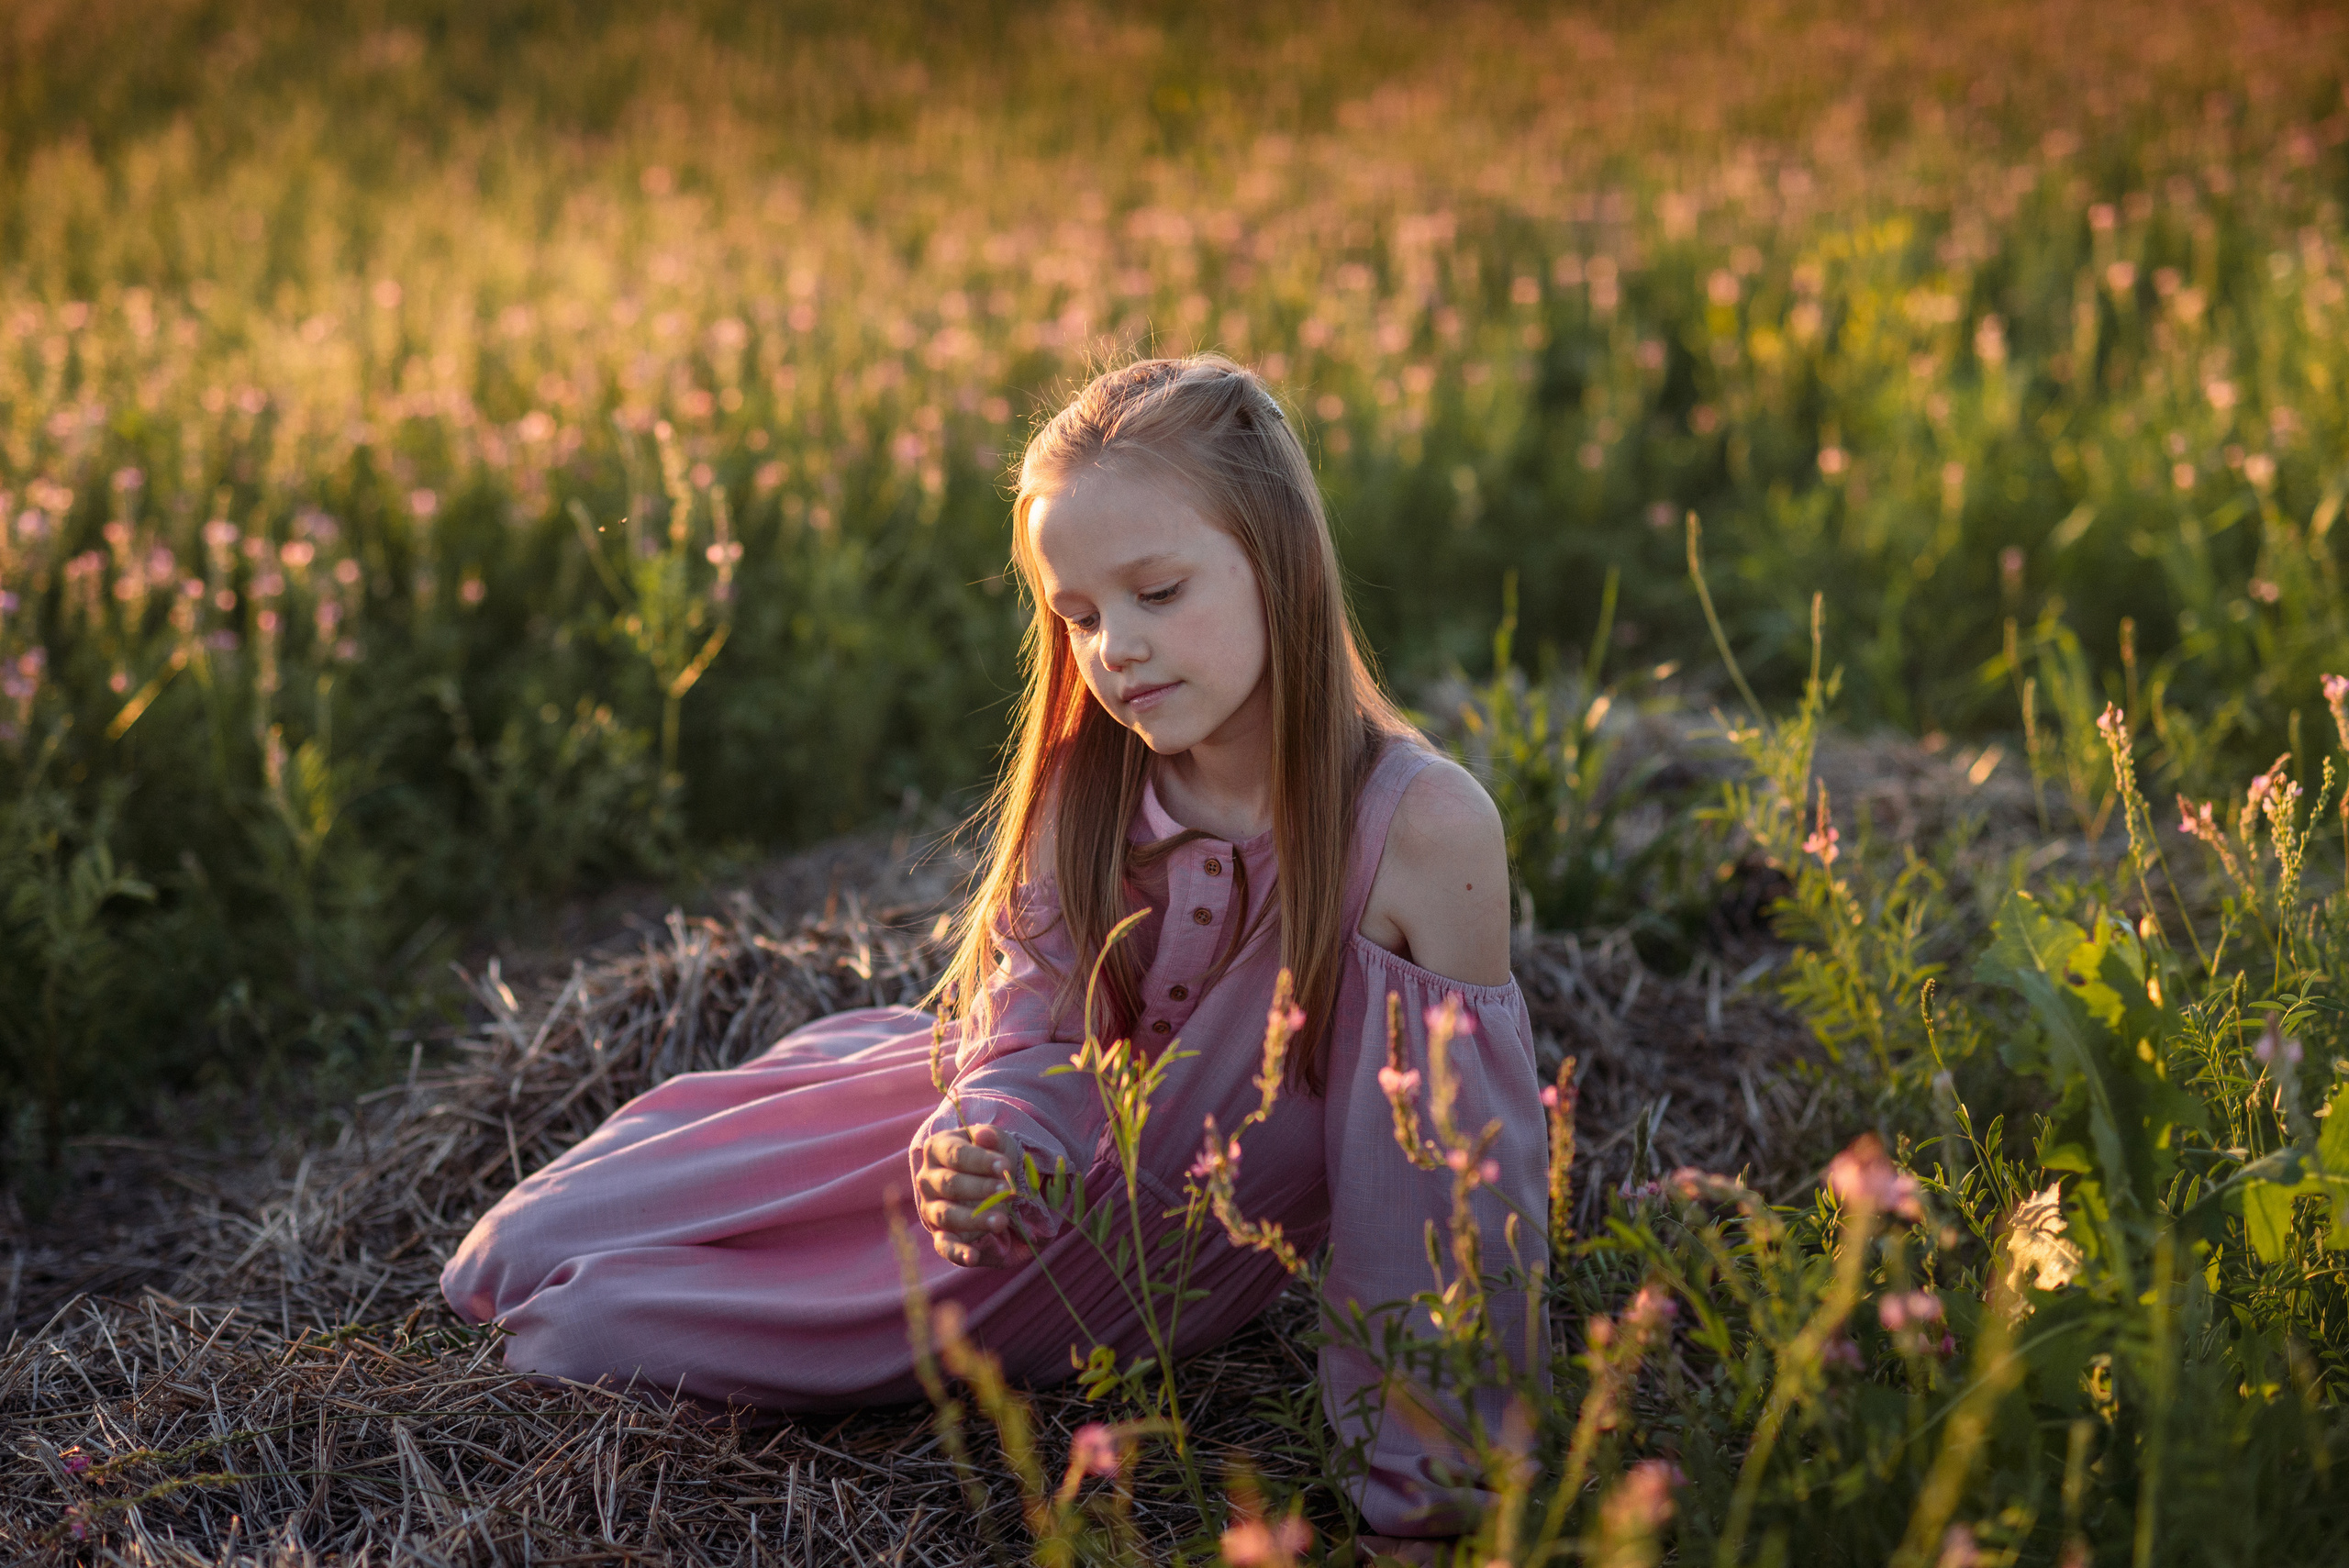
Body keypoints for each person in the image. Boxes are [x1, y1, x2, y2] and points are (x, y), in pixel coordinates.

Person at [440, 354, 1550, 1543]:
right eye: (1077, 615)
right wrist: (992, 1135)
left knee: (585, 1332)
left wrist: (1426, 1493)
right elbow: (1033, 1019)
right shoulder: (1092, 785)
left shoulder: (1419, 832)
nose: (1116, 645)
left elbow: (1443, 1195)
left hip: (1113, 1245)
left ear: (1280, 560)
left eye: (1159, 591)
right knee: (517, 1245)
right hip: (1010, 1160)